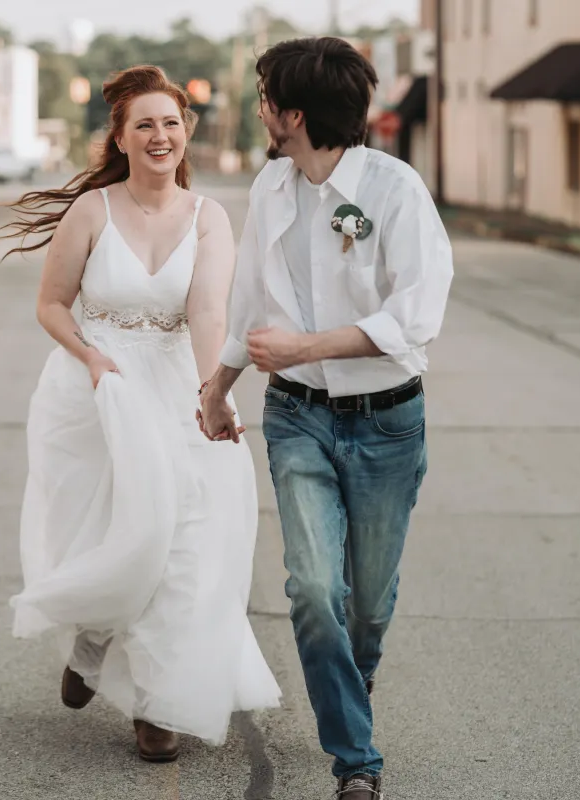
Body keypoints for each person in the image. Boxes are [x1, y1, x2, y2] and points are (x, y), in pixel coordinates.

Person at [0, 65, 281, 764]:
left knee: (184, 541)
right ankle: (92, 643)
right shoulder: (92, 212)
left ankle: (157, 706)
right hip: (99, 386)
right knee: (119, 536)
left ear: (187, 134)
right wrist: (91, 358)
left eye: (171, 124)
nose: (160, 136)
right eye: (144, 124)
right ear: (120, 139)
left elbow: (208, 310)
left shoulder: (209, 217)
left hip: (176, 380)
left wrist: (214, 391)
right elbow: (52, 305)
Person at [197, 38, 454, 800]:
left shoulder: (396, 189)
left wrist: (310, 343)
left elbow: (419, 312)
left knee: (366, 605)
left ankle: (350, 686)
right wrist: (219, 386)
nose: (261, 111)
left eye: (268, 99)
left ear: (295, 114)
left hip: (387, 424)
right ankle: (356, 764)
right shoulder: (272, 187)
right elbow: (248, 297)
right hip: (297, 417)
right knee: (313, 588)